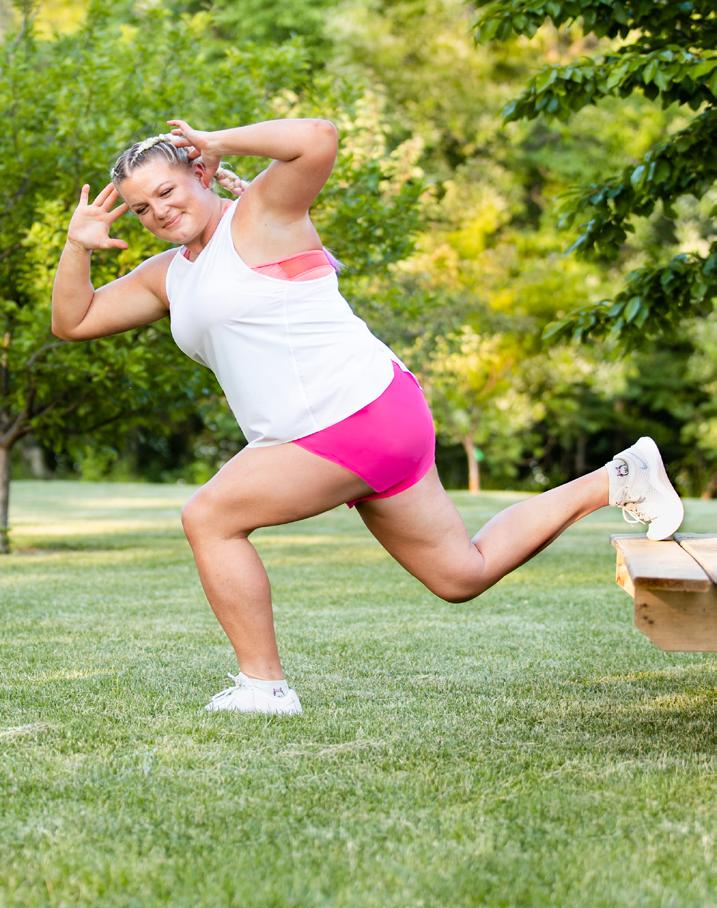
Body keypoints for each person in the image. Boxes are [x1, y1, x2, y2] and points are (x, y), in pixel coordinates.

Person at [51, 117, 685, 717]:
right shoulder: (168, 276)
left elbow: (318, 137)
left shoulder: (262, 214)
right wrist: (77, 247)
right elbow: (73, 320)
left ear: (200, 172)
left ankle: (264, 687)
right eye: (142, 208)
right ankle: (619, 478)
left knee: (209, 517)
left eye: (165, 192)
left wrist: (221, 139)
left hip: (349, 416)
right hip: (359, 419)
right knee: (460, 574)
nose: (159, 212)